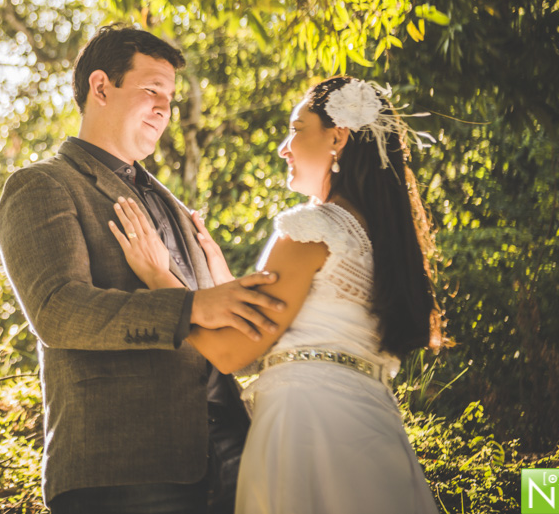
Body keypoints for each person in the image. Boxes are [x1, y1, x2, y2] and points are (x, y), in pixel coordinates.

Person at [113, 75, 441, 514]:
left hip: (310, 423)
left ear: (337, 137)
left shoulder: (313, 228)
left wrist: (158, 277)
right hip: (371, 422)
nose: (285, 146)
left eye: (297, 128)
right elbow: (295, 323)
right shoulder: (378, 234)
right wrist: (219, 272)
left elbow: (231, 354)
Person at [0, 25, 286, 514]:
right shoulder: (42, 185)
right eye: (152, 90)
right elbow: (57, 311)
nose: (163, 109)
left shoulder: (173, 202)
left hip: (231, 451)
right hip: (123, 464)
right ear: (101, 87)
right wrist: (194, 304)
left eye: (169, 99)